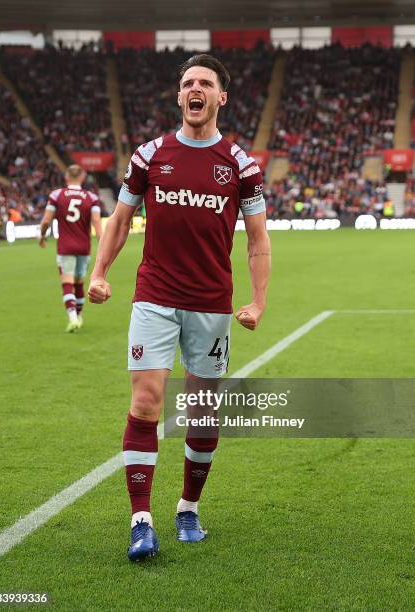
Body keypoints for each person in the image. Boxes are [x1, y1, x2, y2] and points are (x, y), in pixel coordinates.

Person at [88, 54, 271, 561]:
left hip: (212, 302)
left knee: (201, 411)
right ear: (179, 96)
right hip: (155, 296)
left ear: (220, 97)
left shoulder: (241, 165)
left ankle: (188, 506)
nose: (195, 89)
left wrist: (257, 301)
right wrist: (99, 273)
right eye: (188, 82)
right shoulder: (150, 155)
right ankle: (141, 520)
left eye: (205, 83)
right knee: (146, 402)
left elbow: (257, 240)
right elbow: (121, 219)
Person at [39, 164, 102, 333]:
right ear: (82, 178)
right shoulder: (91, 197)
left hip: (65, 247)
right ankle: (78, 316)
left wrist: (42, 236)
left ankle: (73, 318)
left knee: (67, 283)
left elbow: (46, 221)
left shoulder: (57, 195)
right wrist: (102, 244)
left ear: (66, 177)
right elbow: (96, 222)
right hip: (84, 247)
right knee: (79, 284)